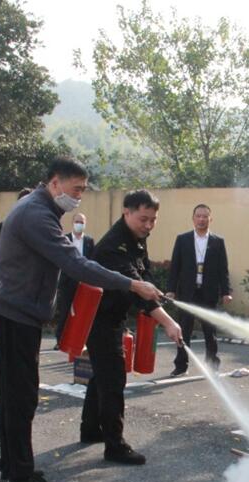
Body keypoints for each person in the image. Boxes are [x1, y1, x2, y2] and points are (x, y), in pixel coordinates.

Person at [0, 158, 162, 482]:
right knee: (21, 397)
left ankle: (11, 466)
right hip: (18, 314)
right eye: (76, 189)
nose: (79, 197)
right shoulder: (38, 215)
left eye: (83, 190)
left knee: (14, 396)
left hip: (15, 311)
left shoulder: (36, 207)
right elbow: (77, 264)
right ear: (54, 184)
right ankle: (21, 479)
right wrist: (133, 285)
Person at [81, 189, 183, 466]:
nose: (148, 226)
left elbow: (143, 273)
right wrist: (170, 323)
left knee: (100, 374)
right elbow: (136, 289)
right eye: (143, 219)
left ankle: (90, 429)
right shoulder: (114, 245)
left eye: (153, 220)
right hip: (100, 319)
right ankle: (115, 446)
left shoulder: (136, 238)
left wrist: (154, 288)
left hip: (113, 316)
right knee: (113, 380)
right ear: (126, 212)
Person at [166, 203, 232, 376]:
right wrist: (171, 289)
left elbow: (223, 269)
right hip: (187, 292)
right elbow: (175, 267)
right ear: (193, 218)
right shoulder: (183, 239)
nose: (201, 219)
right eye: (198, 216)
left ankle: (212, 365)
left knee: (210, 332)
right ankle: (181, 365)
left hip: (208, 293)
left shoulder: (218, 242)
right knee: (183, 331)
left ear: (211, 219)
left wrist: (226, 292)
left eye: (205, 216)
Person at [0, 187, 32, 407]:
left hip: (20, 301)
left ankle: (9, 393)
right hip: (5, 299)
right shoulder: (3, 229)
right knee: (3, 350)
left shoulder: (33, 229)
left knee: (14, 353)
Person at [54, 211, 96, 345]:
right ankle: (60, 340)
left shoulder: (89, 241)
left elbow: (92, 260)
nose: (79, 224)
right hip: (68, 280)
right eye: (77, 222)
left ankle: (82, 340)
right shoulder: (65, 239)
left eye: (82, 222)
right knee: (65, 311)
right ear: (73, 223)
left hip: (84, 281)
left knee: (84, 312)